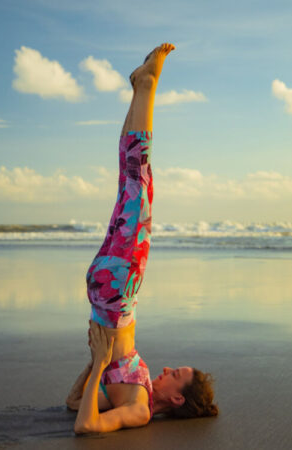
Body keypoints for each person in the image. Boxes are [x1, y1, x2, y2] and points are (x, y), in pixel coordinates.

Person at [65, 43, 218, 434]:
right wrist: (94, 366)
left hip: (117, 291)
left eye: (175, 374)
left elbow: (85, 426)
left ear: (178, 398)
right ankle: (140, 89)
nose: (166, 368)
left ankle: (147, 85)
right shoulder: (140, 389)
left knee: (140, 181)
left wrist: (100, 362)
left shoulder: (140, 410)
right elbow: (72, 403)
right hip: (109, 290)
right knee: (129, 179)